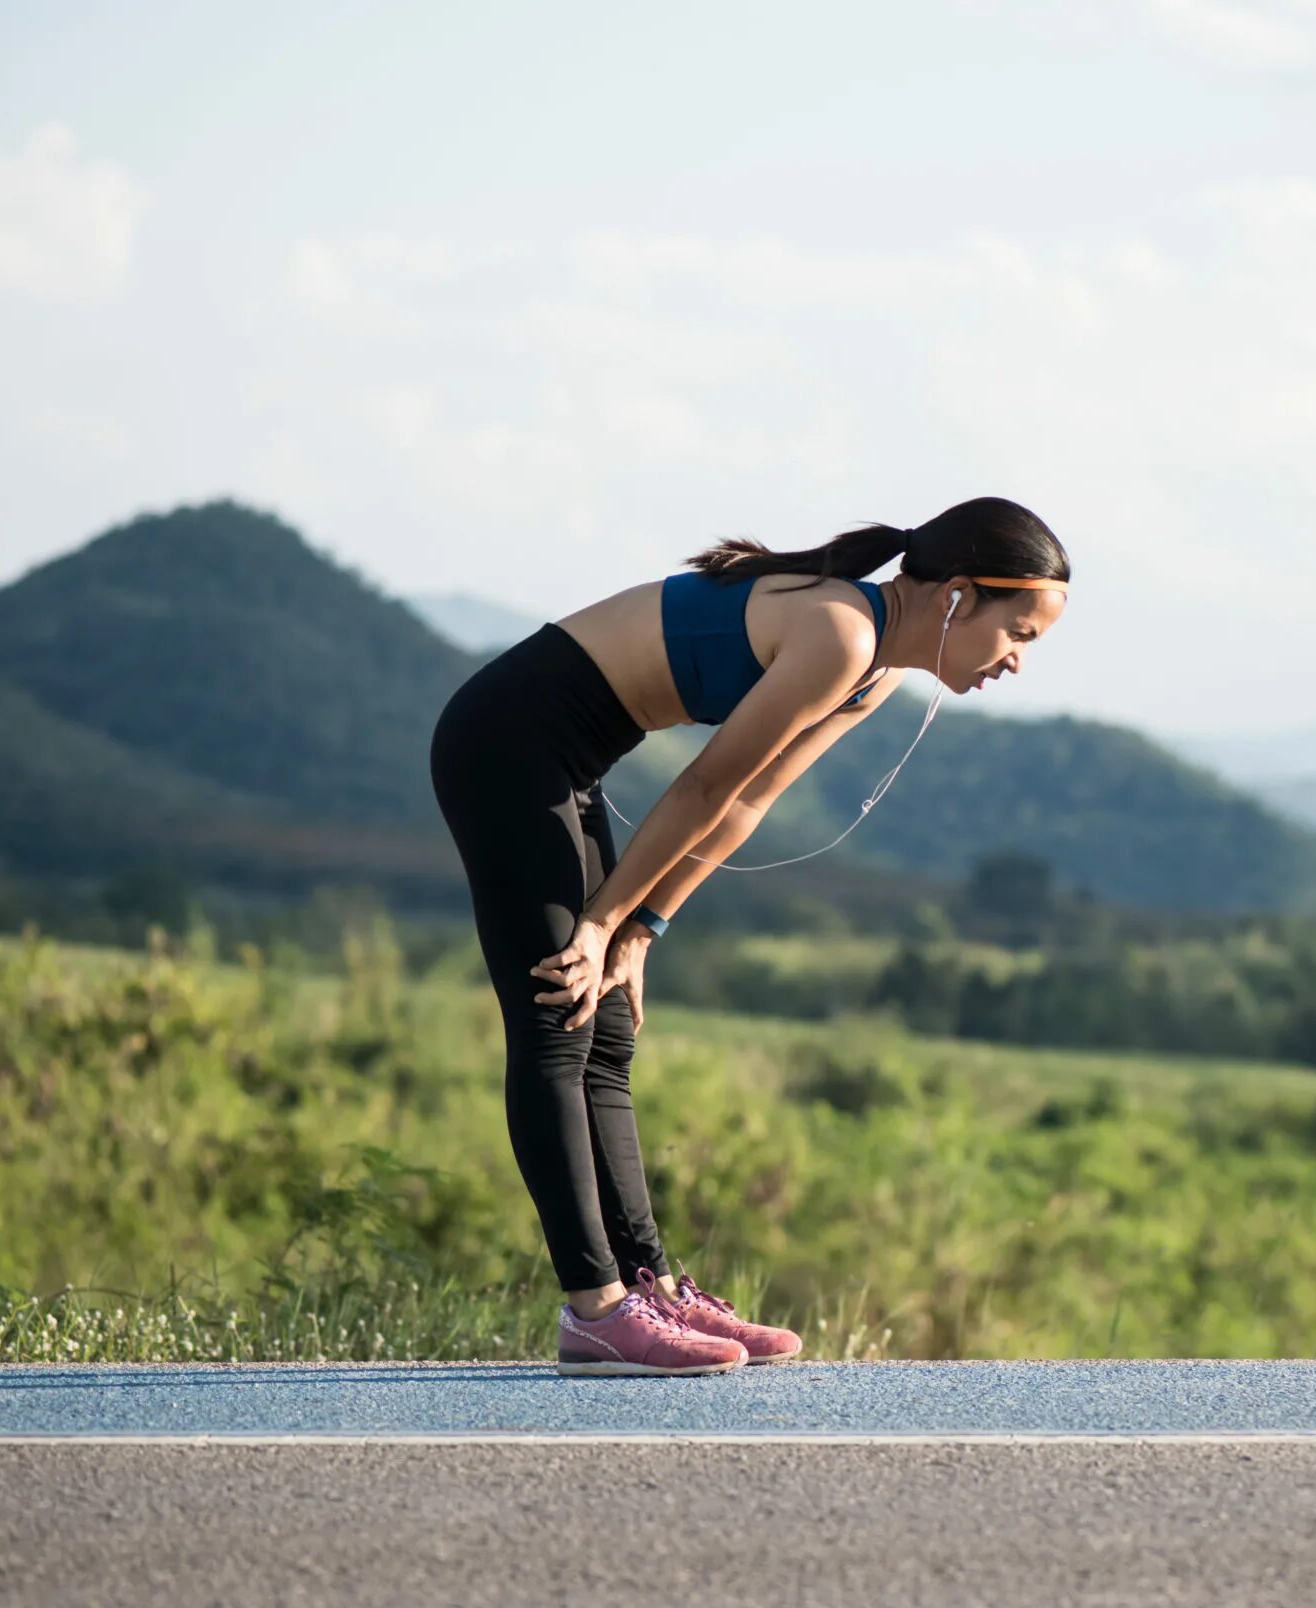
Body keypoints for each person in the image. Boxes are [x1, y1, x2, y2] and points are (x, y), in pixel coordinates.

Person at [428, 497, 1072, 1375]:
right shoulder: (840, 632)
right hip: (504, 742)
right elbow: (699, 788)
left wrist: (642, 927)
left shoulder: (873, 670)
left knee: (605, 1025)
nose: (1018, 662)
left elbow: (747, 804)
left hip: (564, 760)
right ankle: (596, 1308)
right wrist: (600, 921)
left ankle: (646, 1284)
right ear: (958, 596)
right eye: (1020, 632)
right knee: (555, 1009)